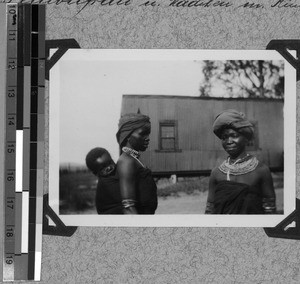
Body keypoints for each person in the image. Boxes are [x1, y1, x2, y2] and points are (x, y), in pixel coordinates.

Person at [205, 109, 276, 214]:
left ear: (246, 138)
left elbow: (270, 211)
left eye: (234, 136)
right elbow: (210, 211)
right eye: (224, 137)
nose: (229, 141)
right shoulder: (216, 173)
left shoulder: (261, 170)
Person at [116, 113, 158, 214]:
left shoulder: (133, 159)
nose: (147, 138)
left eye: (148, 134)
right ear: (128, 136)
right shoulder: (126, 161)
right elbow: (128, 207)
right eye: (142, 133)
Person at [85, 147, 123, 214]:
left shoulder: (117, 174)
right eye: (103, 167)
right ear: (95, 173)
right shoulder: (105, 184)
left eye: (110, 162)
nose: (109, 167)